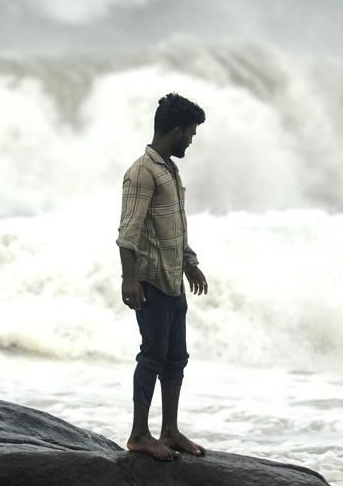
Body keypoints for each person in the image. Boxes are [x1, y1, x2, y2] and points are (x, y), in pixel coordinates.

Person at [116, 93, 209, 461]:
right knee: (152, 356)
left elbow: (175, 227)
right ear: (176, 130)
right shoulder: (142, 172)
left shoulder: (169, 169)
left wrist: (190, 262)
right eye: (190, 133)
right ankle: (140, 434)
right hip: (152, 281)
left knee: (176, 358)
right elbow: (129, 230)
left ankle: (169, 431)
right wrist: (128, 278)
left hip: (173, 280)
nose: (191, 140)